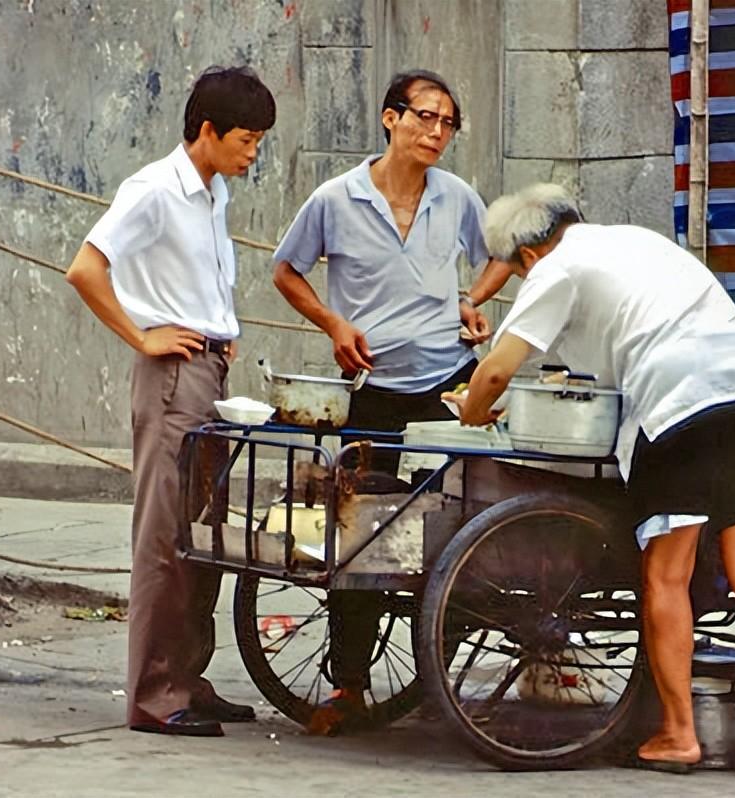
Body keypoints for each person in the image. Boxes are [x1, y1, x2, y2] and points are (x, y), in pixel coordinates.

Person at [446, 184, 735, 771]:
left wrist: (471, 410)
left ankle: (679, 735)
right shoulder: (636, 242)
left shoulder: (553, 269)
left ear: (528, 256)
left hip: (680, 409)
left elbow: (492, 377)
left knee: (666, 577)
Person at [271, 70, 511, 724]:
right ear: (390, 118)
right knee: (363, 542)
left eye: (447, 123)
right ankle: (349, 684)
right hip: (373, 392)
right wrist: (333, 324)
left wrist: (470, 299)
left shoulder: (456, 196)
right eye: (425, 118)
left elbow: (502, 254)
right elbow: (285, 270)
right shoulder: (336, 199)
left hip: (448, 386)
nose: (437, 132)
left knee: (459, 531)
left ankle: (441, 683)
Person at [64, 66, 276, 737]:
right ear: (207, 130)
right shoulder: (155, 189)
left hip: (208, 371)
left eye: (260, 142)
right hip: (172, 377)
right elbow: (86, 267)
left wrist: (222, 331)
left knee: (200, 534)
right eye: (245, 139)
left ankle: (189, 677)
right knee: (163, 537)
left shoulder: (213, 194)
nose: (253, 153)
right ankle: (155, 696)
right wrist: (143, 335)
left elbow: (199, 279)